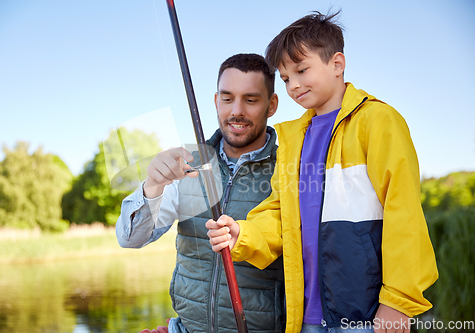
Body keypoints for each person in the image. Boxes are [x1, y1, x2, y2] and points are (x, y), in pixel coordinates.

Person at [206, 12, 438, 333]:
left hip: (365, 314)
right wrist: (242, 234)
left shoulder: (378, 121)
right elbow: (280, 215)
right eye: (286, 78)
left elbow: (404, 214)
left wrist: (398, 301)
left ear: (337, 63)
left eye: (302, 70)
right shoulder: (291, 139)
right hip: (305, 316)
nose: (294, 85)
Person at [116, 53, 285, 333]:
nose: (236, 111)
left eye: (251, 100)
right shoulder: (187, 162)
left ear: (272, 104)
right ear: (216, 100)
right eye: (227, 98)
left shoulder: (290, 167)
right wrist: (153, 185)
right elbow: (130, 238)